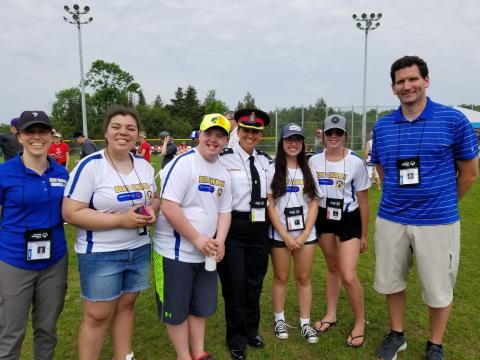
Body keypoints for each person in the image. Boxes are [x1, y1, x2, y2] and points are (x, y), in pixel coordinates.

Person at [372, 56, 479, 360]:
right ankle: (397, 335)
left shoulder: (452, 120)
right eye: (400, 81)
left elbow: (470, 172)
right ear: (393, 88)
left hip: (438, 221)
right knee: (391, 282)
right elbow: (381, 168)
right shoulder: (382, 126)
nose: (407, 86)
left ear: (426, 81)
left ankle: (435, 344)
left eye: (412, 79)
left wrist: (443, 202)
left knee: (438, 287)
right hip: (392, 218)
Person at [62, 106, 159, 360]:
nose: (123, 133)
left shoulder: (144, 165)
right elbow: (71, 213)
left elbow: (154, 197)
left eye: (130, 128)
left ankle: (124, 356)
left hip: (137, 249)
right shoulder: (90, 166)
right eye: (116, 127)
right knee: (98, 315)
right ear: (105, 132)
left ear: (138, 135)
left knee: (127, 306)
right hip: (101, 253)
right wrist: (122, 220)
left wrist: (151, 211)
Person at [153, 113, 232, 360]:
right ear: (200, 134)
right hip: (174, 252)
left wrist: (220, 240)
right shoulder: (183, 163)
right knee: (176, 310)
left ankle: (198, 353)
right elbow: (169, 207)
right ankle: (183, 355)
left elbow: (224, 210)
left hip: (206, 253)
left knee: (201, 306)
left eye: (220, 136)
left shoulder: (223, 170)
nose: (213, 140)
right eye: (209, 134)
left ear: (227, 140)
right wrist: (198, 239)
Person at [0, 110, 68, 359]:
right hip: (14, 262)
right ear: (19, 136)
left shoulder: (61, 173)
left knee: (47, 329)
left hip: (55, 261)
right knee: (10, 332)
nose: (36, 137)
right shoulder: (4, 173)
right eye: (30, 131)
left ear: (51, 136)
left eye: (43, 131)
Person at [309, 114, 370, 348]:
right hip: (325, 219)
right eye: (329, 133)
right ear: (323, 135)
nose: (334, 137)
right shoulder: (314, 161)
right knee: (332, 268)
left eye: (339, 133)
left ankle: (359, 323)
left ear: (345, 135)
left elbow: (364, 201)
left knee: (348, 273)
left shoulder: (355, 162)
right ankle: (331, 314)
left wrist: (364, 235)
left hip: (349, 219)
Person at [218, 108, 272, 360]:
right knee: (235, 284)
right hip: (234, 226)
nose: (251, 135)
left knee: (255, 282)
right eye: (246, 130)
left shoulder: (265, 161)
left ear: (261, 134)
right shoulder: (223, 158)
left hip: (260, 227)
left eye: (256, 131)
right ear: (238, 131)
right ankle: (236, 338)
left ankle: (251, 330)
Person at [267, 123, 321, 344]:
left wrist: (305, 233)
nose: (293, 143)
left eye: (297, 140)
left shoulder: (309, 169)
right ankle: (279, 319)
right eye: (289, 139)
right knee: (280, 277)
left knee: (304, 278)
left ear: (303, 143)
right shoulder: (272, 169)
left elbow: (314, 202)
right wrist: (286, 235)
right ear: (282, 143)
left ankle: (305, 322)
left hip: (305, 236)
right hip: (280, 235)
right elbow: (269, 204)